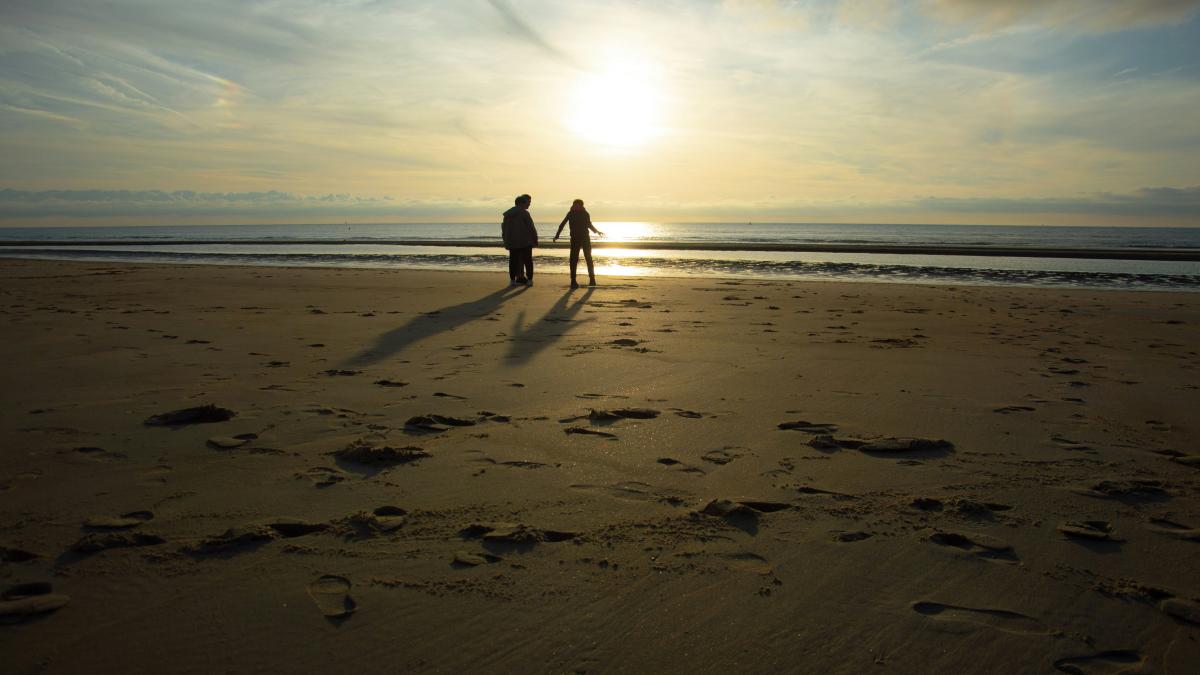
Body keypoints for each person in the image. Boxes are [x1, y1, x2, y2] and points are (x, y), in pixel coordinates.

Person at [553, 198, 604, 288]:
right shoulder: (570, 213)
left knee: (588, 258)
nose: (575, 206)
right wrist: (557, 235)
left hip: (585, 239)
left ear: (581, 206)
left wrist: (597, 231)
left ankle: (592, 279)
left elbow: (589, 224)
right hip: (574, 239)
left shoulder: (585, 214)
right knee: (573, 260)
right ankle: (573, 281)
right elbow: (562, 224)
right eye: (574, 205)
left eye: (578, 205)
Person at [501, 194, 538, 286]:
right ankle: (529, 280)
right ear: (522, 203)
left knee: (513, 261)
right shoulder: (524, 213)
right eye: (527, 203)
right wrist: (535, 238)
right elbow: (531, 227)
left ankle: (512, 281)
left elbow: (504, 228)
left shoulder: (507, 214)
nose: (529, 205)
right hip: (525, 241)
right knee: (528, 261)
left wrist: (505, 239)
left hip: (512, 241)